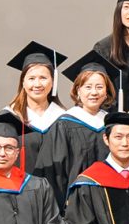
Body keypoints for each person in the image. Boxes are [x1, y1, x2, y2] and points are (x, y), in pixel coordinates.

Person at [32, 53, 115, 205]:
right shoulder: (63, 125)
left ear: (106, 92)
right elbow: (54, 174)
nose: (94, 92)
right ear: (78, 91)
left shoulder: (113, 125)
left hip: (110, 202)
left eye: (99, 87)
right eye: (88, 87)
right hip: (75, 205)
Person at [3, 42, 66, 174]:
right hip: (20, 185)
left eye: (43, 78)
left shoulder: (65, 119)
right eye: (31, 78)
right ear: (23, 82)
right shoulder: (9, 118)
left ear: (53, 81)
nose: (37, 84)